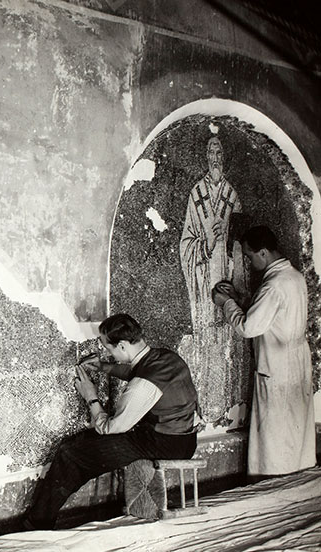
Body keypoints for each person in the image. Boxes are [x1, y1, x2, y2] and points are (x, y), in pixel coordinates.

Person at [26, 313, 199, 530]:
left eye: (109, 349)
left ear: (123, 345)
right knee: (81, 443)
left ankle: (37, 524)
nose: (108, 353)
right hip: (185, 440)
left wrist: (90, 395)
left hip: (164, 444)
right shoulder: (165, 357)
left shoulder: (141, 386)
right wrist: (104, 367)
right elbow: (135, 369)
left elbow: (110, 428)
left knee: (71, 452)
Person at [213, 225, 315, 477]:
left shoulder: (273, 285)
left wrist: (226, 304)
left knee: (275, 433)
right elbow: (270, 314)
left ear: (263, 252)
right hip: (296, 363)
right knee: (294, 429)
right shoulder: (294, 277)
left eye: (249, 256)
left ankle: (273, 484)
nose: (249, 261)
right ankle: (296, 479)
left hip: (277, 366)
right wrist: (239, 298)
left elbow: (249, 327)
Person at [179, 136, 247, 422]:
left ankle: (231, 410)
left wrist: (232, 252)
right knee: (208, 341)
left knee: (230, 343)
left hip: (229, 281)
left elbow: (243, 244)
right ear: (205, 157)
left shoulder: (233, 196)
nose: (215, 156)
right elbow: (186, 244)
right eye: (211, 151)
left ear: (225, 156)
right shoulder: (196, 195)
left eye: (219, 151)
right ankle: (208, 408)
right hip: (204, 282)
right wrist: (205, 245)